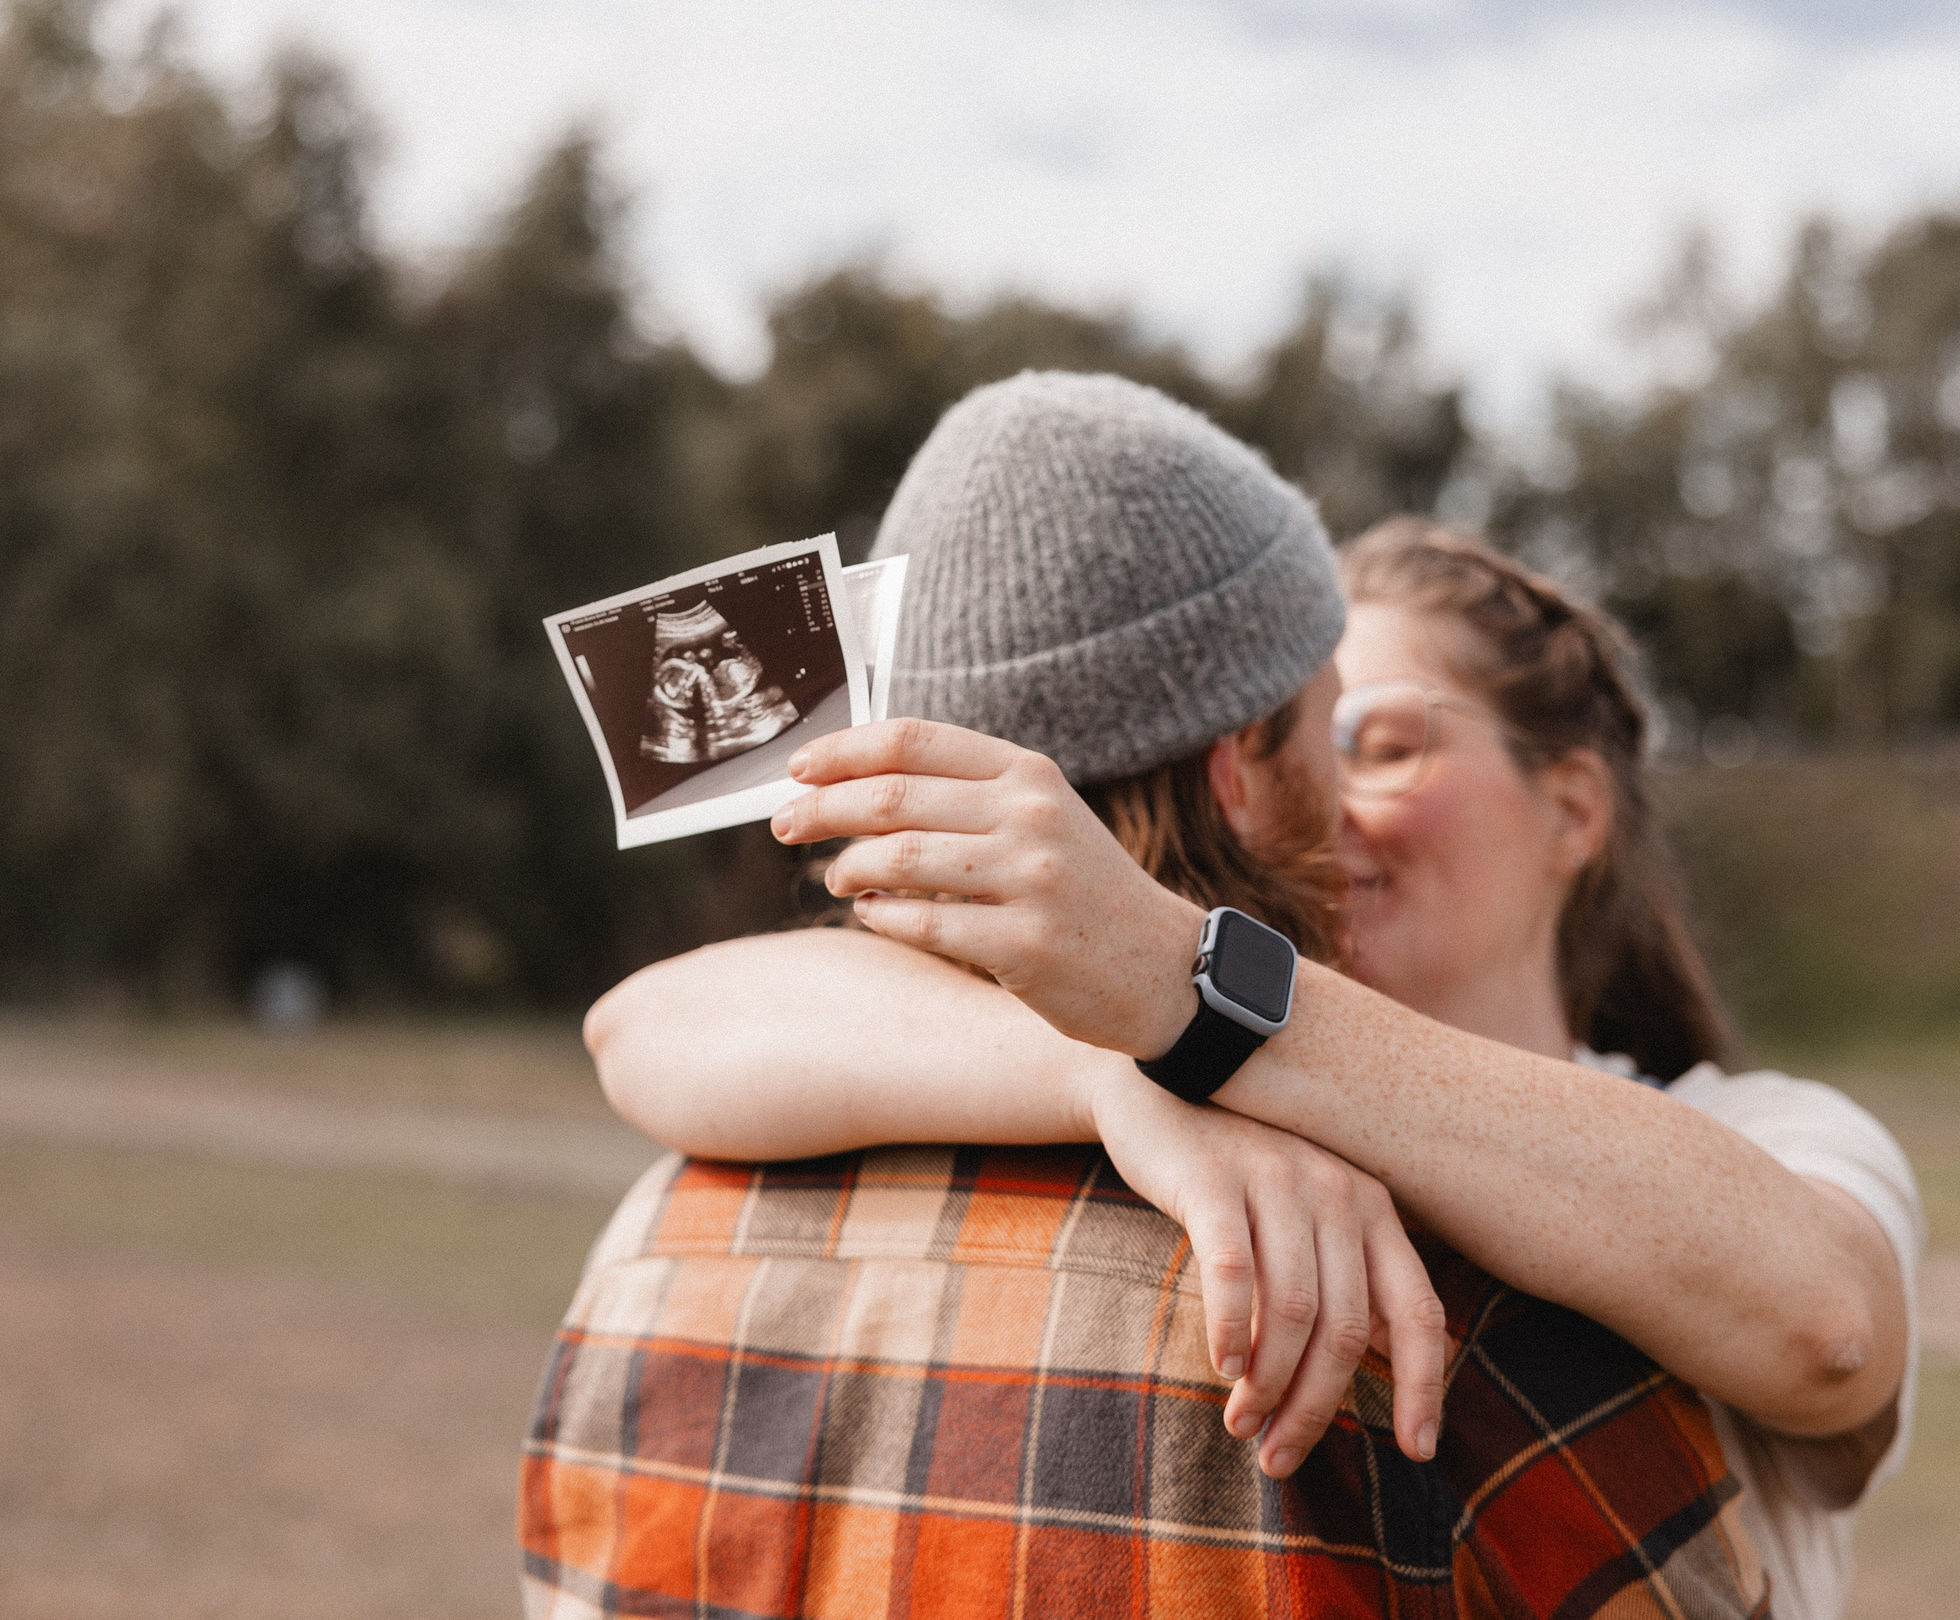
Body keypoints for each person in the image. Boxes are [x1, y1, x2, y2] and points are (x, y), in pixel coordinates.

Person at [524, 373, 1773, 1619]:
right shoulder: (1423, 1316)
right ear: (1238, 773)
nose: (1346, 811)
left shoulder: (654, 1243)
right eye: (1330, 735)